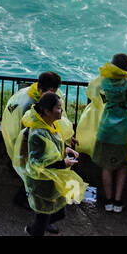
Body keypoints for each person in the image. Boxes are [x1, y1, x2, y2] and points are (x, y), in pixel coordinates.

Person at [75, 53, 127, 213]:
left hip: (106, 127)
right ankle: (118, 201)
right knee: (122, 165)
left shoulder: (105, 81)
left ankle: (109, 201)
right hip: (124, 127)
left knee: (106, 166)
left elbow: (93, 90)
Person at [18, 91, 85, 236]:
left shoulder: (51, 126)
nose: (61, 111)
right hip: (42, 183)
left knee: (58, 213)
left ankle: (35, 227)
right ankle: (33, 230)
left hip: (52, 180)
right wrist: (63, 163)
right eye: (58, 108)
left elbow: (53, 145)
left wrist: (66, 149)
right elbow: (38, 162)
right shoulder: (38, 134)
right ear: (47, 111)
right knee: (44, 218)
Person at [1, 71, 62, 206]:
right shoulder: (30, 104)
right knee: (31, 173)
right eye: (52, 91)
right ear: (41, 89)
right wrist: (23, 152)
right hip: (27, 143)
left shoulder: (37, 95)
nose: (54, 94)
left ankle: (26, 200)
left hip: (34, 142)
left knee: (33, 173)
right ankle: (28, 202)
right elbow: (26, 130)